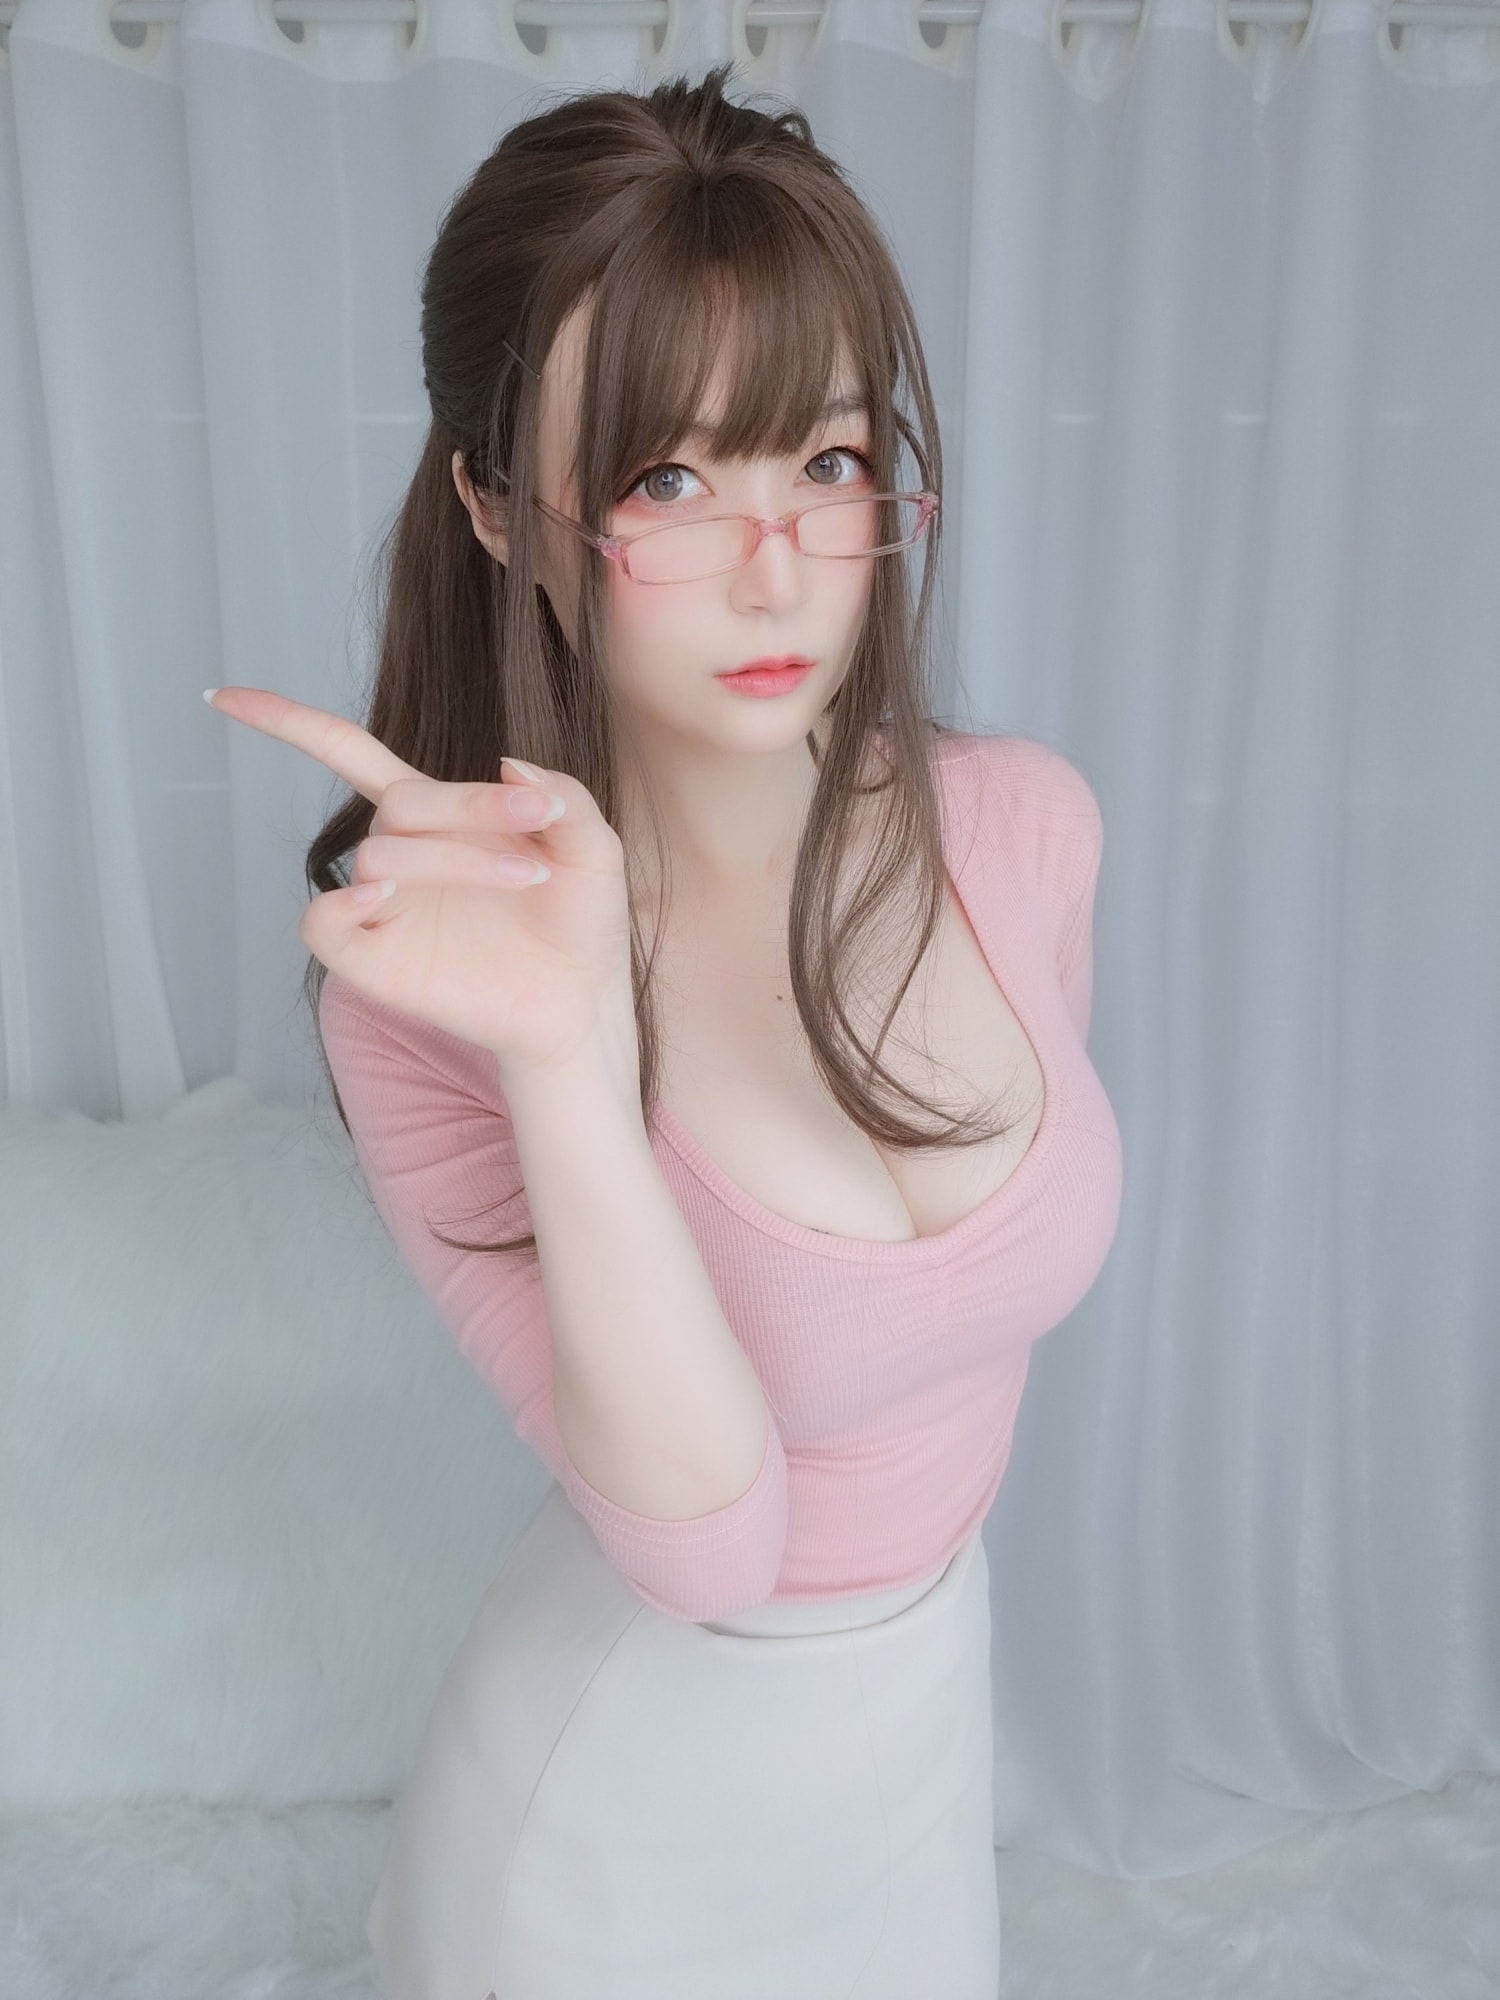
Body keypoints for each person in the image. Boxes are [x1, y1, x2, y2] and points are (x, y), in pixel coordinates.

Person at [206, 60, 1122, 2000]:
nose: (776, 567)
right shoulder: (438, 1006)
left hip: (911, 1759)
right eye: (668, 483)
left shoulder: (1026, 830)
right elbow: (711, 1549)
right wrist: (566, 1058)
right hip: (612, 1818)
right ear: (496, 509)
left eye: (830, 462)